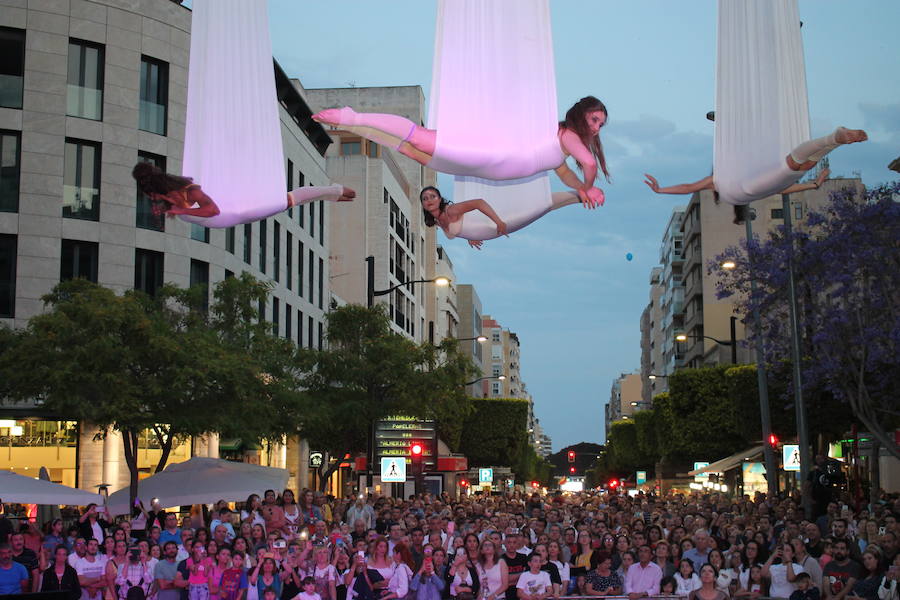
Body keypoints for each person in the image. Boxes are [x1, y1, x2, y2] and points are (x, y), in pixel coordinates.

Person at [312, 97, 609, 207]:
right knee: (421, 140)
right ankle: (353, 118)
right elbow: (588, 164)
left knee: (414, 151)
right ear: (581, 113)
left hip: (483, 167)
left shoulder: (561, 148)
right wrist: (588, 189)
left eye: (601, 124)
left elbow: (567, 172)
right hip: (488, 154)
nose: (596, 128)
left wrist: (580, 188)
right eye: (595, 120)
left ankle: (363, 129)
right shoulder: (568, 135)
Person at [644, 123, 867, 208]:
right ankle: (835, 140)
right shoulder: (734, 175)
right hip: (769, 179)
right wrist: (813, 186)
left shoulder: (720, 181)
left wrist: (661, 190)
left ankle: (835, 139)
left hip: (767, 179)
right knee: (800, 164)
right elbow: (781, 189)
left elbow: (688, 188)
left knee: (797, 164)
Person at [131, 162, 355, 222]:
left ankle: (332, 189)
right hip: (239, 207)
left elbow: (213, 211)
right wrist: (173, 210)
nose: (152, 201)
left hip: (246, 203)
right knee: (290, 200)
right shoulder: (172, 198)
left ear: (156, 191)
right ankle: (329, 194)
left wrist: (180, 212)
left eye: (152, 196)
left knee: (287, 200)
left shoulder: (190, 192)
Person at [418, 185, 593, 249]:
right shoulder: (437, 220)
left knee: (538, 206)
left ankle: (580, 195)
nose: (429, 200)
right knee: (542, 209)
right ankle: (579, 198)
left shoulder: (450, 211)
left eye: (432, 196)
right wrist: (469, 237)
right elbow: (461, 226)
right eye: (425, 198)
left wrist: (499, 221)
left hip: (499, 224)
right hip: (491, 231)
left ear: (439, 199)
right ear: (423, 205)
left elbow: (479, 202)